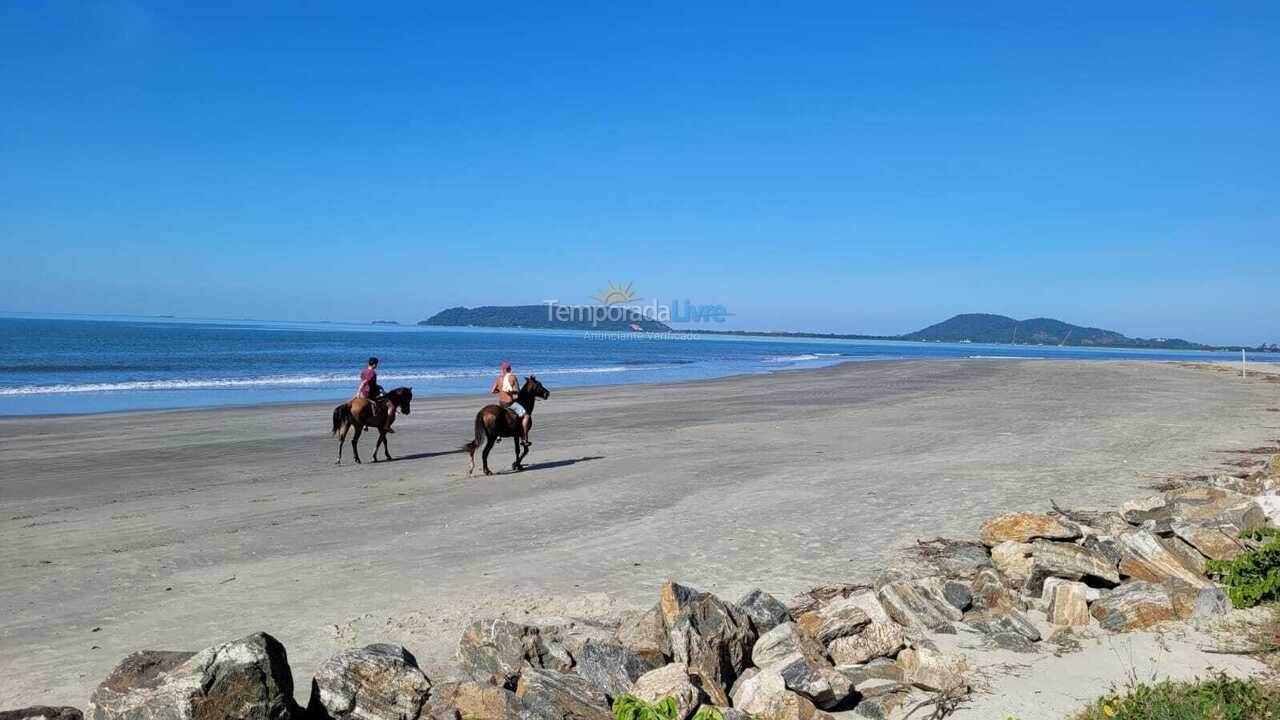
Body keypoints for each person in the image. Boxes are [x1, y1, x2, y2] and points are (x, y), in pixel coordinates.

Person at [491, 361, 531, 446]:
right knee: (526, 415)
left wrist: (500, 390)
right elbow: (518, 391)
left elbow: (493, 390)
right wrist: (512, 392)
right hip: (509, 403)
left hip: (501, 403)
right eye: (510, 368)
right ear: (509, 369)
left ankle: (498, 434)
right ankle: (524, 438)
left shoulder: (499, 378)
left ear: (502, 369)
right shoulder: (512, 377)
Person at [356, 357, 391, 432]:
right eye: (377, 364)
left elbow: (369, 383)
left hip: (364, 392)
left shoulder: (363, 371)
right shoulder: (372, 372)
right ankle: (386, 425)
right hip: (370, 393)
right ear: (374, 364)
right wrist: (357, 393)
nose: (377, 366)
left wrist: (378, 386)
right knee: (389, 403)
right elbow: (364, 382)